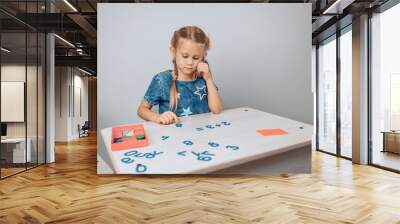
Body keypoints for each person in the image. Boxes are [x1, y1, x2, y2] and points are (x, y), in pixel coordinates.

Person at [137, 26, 223, 125]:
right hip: (174, 137)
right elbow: (141, 110)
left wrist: (208, 79)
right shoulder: (162, 80)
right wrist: (158, 117)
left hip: (202, 136)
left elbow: (217, 110)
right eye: (185, 56)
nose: (190, 62)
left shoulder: (203, 79)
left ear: (203, 57)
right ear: (173, 52)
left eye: (196, 58)